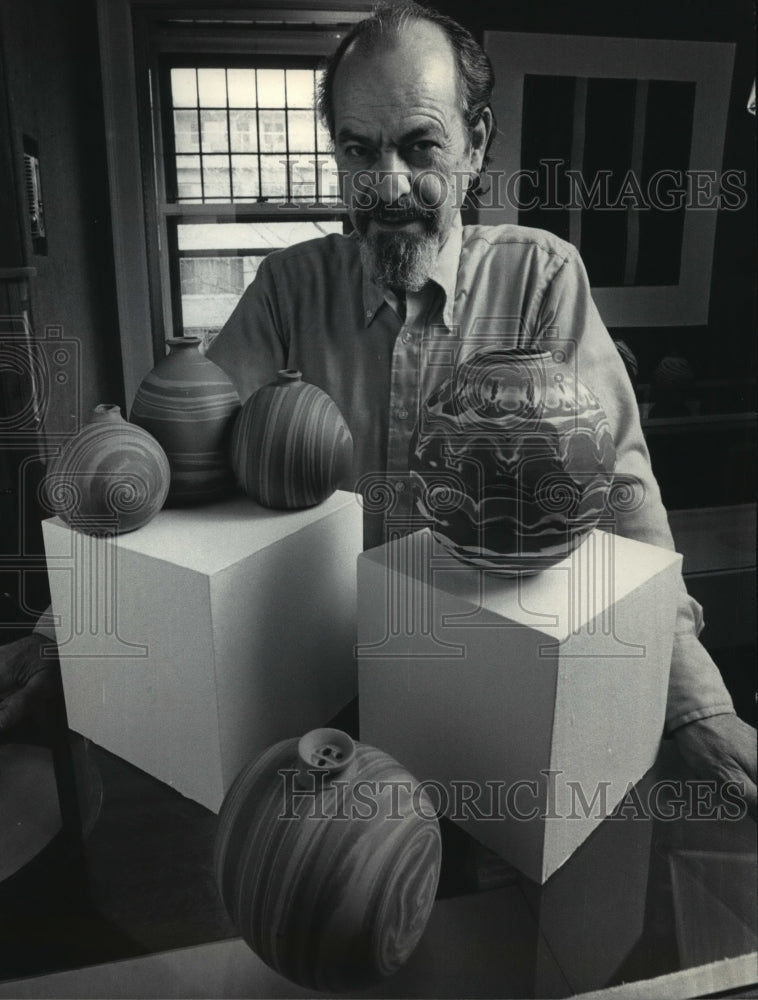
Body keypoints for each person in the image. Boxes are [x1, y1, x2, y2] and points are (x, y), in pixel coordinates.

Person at [2, 1, 755, 815]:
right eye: (359, 150)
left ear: (474, 143)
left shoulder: (542, 279)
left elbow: (621, 499)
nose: (387, 184)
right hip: (316, 683)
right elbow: (169, 478)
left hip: (497, 685)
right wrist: (60, 641)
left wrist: (696, 704)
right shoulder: (288, 290)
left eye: (419, 144)